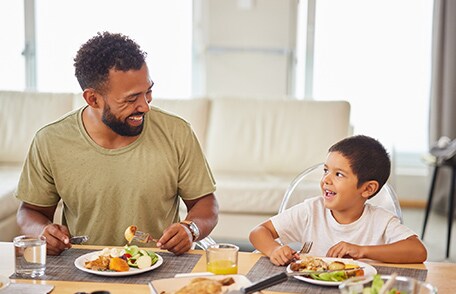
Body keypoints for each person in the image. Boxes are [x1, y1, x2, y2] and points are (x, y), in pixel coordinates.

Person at [15, 32, 218, 256]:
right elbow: (29, 212)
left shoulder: (177, 132)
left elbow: (206, 205)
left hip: (161, 265)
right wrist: (42, 231)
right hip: (84, 267)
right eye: (131, 99)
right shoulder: (50, 141)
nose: (145, 106)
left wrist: (191, 229)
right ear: (93, 99)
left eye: (148, 92)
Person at [249, 135, 427, 265]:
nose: (326, 179)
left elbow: (418, 251)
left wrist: (362, 250)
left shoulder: (380, 220)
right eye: (326, 170)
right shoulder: (312, 210)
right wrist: (274, 249)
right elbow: (259, 232)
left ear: (367, 189)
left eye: (339, 174)